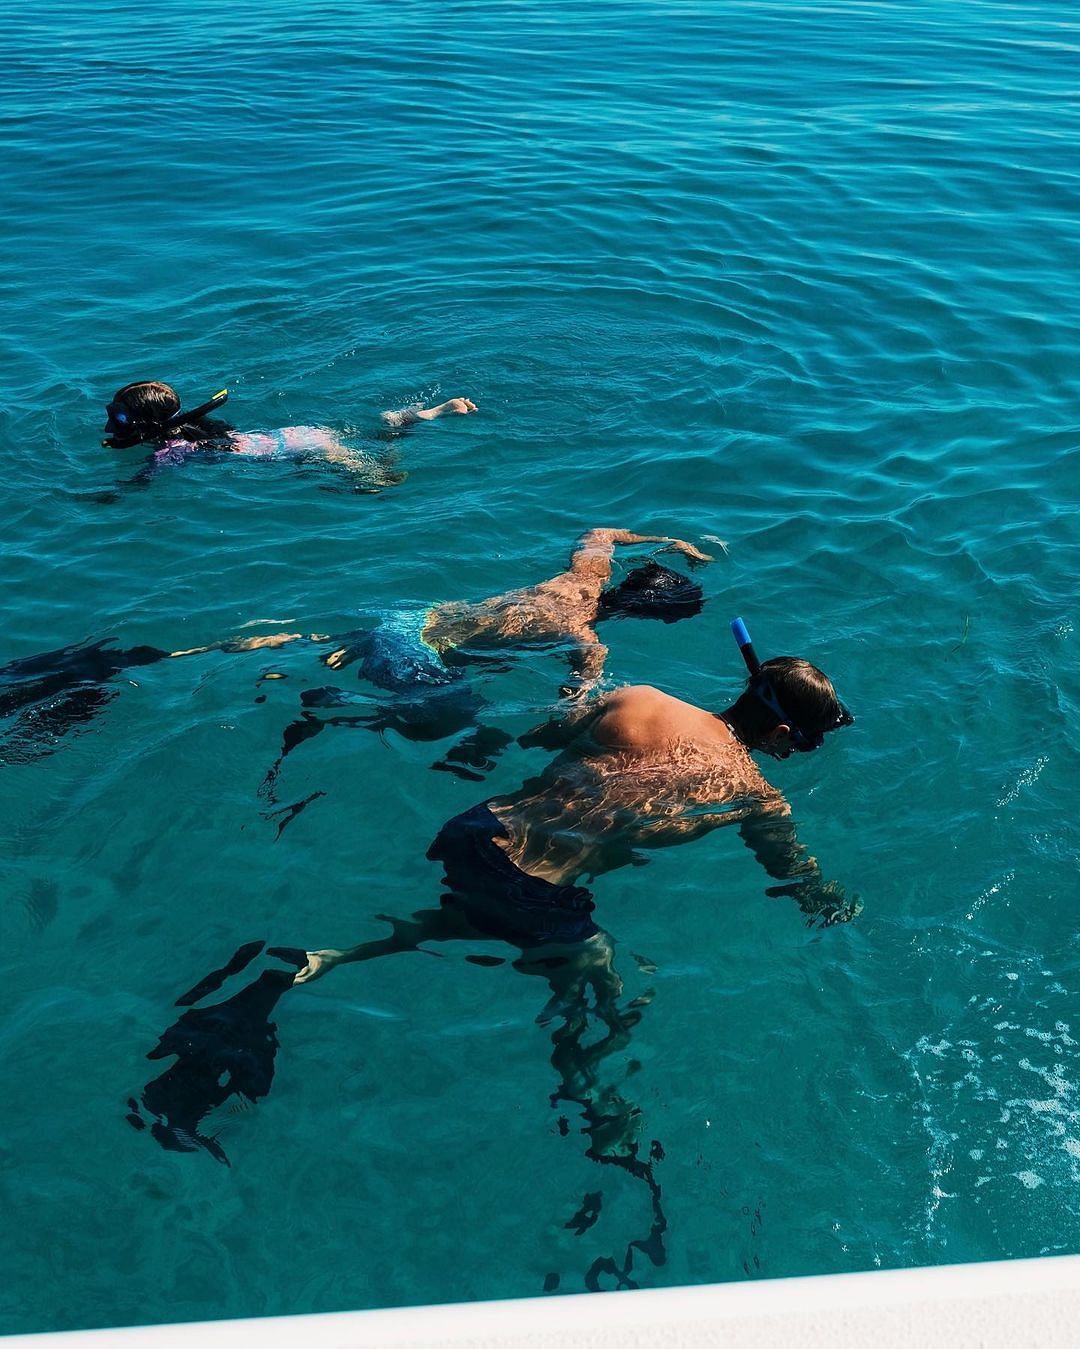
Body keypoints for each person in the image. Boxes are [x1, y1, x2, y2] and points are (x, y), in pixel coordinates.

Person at [257, 529, 713, 788]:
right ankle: (332, 702)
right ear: (642, 616)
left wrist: (674, 542)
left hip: (408, 619)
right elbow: (569, 713)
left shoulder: (580, 579)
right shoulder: (584, 640)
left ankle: (291, 647)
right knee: (480, 737)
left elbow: (602, 533)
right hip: (409, 656)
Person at [101, 379, 477, 487]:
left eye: (119, 419)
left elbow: (148, 476)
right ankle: (403, 419)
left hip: (304, 448)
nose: (112, 426)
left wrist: (119, 490)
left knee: (379, 483)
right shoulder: (200, 427)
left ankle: (406, 427)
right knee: (371, 440)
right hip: (295, 436)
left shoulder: (172, 449)